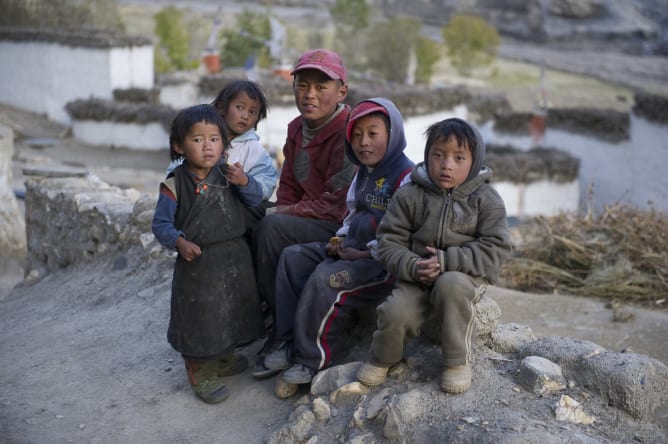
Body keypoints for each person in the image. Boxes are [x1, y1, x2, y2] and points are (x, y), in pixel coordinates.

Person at [262, 98, 415, 391]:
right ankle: (287, 340)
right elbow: (352, 212)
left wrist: (363, 252)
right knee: (293, 258)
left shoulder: (405, 178)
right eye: (356, 135)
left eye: (373, 134)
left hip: (380, 264)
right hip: (351, 249)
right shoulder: (363, 173)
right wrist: (339, 240)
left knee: (325, 279)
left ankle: (312, 360)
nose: (363, 142)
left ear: (393, 134)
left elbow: (400, 237)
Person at [356, 117, 512, 394]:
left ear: (474, 162)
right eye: (438, 155)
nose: (446, 164)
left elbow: (496, 249)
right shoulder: (410, 195)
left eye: (458, 157)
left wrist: (447, 261)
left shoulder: (486, 199)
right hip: (416, 276)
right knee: (395, 311)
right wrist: (413, 265)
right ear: (427, 155)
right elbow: (388, 241)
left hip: (462, 277)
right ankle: (384, 357)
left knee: (450, 285)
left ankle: (456, 361)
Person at [251, 48, 356, 378]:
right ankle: (274, 321)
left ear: (341, 92)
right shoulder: (297, 128)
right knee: (256, 220)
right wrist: (282, 209)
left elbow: (336, 203)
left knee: (271, 228)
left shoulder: (349, 131)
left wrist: (282, 213)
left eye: (321, 87)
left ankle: (282, 337)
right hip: (306, 218)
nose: (310, 95)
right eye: (302, 85)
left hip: (339, 227)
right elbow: (290, 186)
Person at [152, 104, 264, 404]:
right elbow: (160, 224)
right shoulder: (174, 185)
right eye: (198, 139)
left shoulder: (228, 174)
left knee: (231, 310)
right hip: (199, 265)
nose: (207, 146)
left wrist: (245, 182)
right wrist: (178, 242)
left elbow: (255, 200)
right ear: (179, 145)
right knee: (202, 317)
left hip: (234, 257)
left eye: (214, 139)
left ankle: (223, 357)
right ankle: (200, 369)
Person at [166, 80, 278, 229]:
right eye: (240, 107)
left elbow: (265, 188)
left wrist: (245, 182)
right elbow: (176, 170)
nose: (245, 116)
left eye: (252, 112)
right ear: (221, 107)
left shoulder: (256, 152)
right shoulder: (201, 135)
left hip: (233, 213)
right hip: (195, 204)